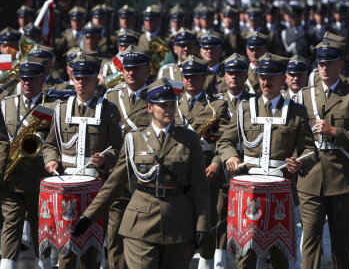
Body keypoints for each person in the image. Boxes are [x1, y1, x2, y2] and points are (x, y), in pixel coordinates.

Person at [71, 78, 211, 268]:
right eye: (163, 105)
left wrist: (202, 225)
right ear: (150, 108)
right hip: (140, 224)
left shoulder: (189, 139)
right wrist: (88, 217)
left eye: (172, 105)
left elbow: (200, 187)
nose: (169, 109)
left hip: (178, 223)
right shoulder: (134, 140)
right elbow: (114, 185)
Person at [217, 52, 316, 269]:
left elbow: (310, 149)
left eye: (271, 77)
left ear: (283, 79)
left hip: (281, 188)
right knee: (246, 253)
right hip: (248, 190)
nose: (265, 82)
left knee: (279, 254)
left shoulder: (297, 112)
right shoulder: (244, 108)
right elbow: (225, 142)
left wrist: (300, 162)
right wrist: (231, 156)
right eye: (262, 76)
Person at [297, 39, 349, 268]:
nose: (324, 68)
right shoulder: (304, 96)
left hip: (341, 178)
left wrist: (335, 132)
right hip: (310, 178)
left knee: (342, 242)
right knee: (310, 238)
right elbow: (294, 135)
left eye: (329, 63)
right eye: (321, 63)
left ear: (340, 64)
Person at [43, 51, 122, 269]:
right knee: (66, 251)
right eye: (78, 77)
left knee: (92, 251)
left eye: (86, 78)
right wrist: (51, 161)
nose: (81, 82)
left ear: (96, 79)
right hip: (67, 188)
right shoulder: (60, 109)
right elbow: (50, 145)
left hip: (96, 187)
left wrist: (104, 159)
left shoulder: (108, 110)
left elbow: (119, 149)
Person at [0, 56, 55, 269]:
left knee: (42, 234)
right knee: (9, 232)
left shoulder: (51, 106)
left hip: (38, 183)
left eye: (32, 79)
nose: (26, 83)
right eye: (23, 79)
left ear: (42, 79)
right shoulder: (5, 105)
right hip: (11, 181)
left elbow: (54, 143)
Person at [174, 55, 229, 269]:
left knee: (207, 220)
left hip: (206, 169)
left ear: (204, 77)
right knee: (179, 220)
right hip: (177, 172)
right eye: (187, 76)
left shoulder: (217, 104)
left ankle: (206, 263)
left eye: (195, 76)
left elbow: (225, 140)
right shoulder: (173, 103)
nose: (190, 80)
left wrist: (217, 163)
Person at [102, 46, 152, 269]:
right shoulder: (111, 96)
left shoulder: (156, 96)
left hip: (145, 175)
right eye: (127, 69)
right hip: (117, 174)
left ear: (147, 70)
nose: (130, 73)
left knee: (143, 236)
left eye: (136, 69)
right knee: (114, 236)